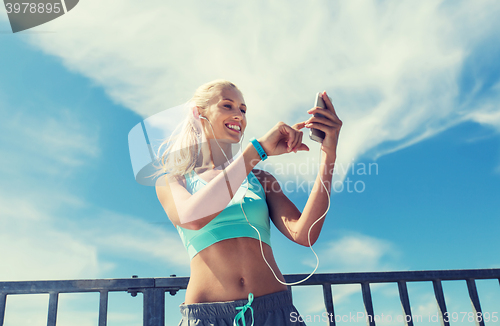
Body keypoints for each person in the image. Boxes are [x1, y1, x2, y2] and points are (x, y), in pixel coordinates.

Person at [155, 80, 342, 326]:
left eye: (243, 110)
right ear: (199, 113)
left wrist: (329, 153)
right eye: (228, 105)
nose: (238, 115)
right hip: (208, 318)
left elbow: (305, 234)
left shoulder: (261, 179)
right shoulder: (173, 180)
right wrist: (257, 151)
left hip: (275, 312)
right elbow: (192, 217)